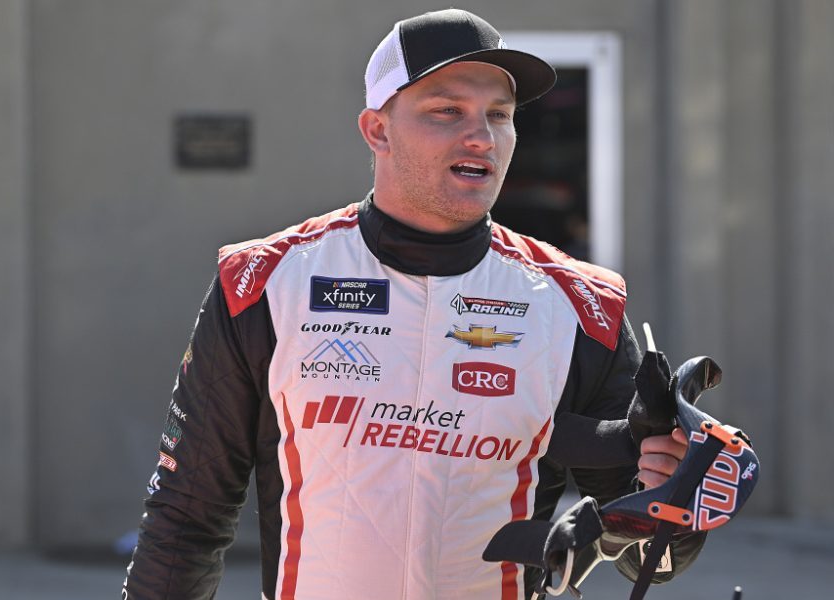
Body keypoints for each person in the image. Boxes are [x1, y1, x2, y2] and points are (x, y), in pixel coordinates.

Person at [123, 9, 704, 599]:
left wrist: (681, 495)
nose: (482, 136)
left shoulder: (581, 305)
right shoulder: (265, 282)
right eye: (447, 110)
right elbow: (186, 517)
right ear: (378, 130)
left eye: (499, 115)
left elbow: (649, 556)